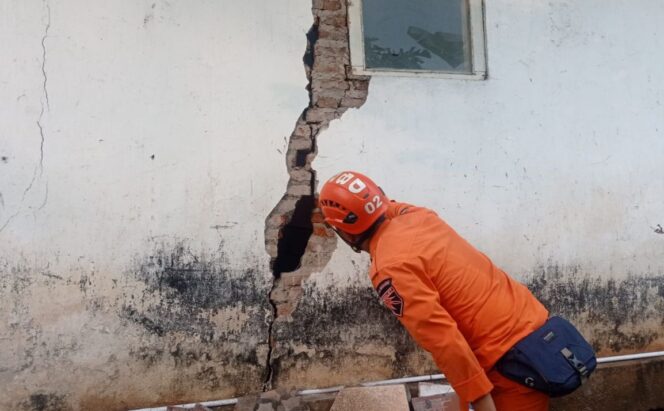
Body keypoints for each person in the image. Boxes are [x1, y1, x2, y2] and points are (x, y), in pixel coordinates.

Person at [319, 171, 550, 411]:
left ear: (344, 232)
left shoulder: (389, 269)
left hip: (512, 363)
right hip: (529, 325)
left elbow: (443, 339)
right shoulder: (418, 216)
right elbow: (390, 208)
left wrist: (482, 401)